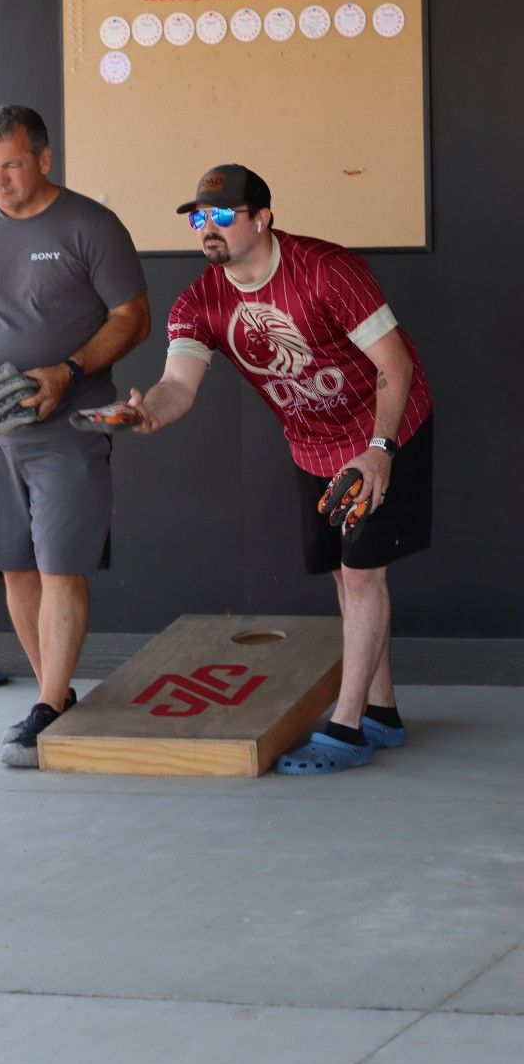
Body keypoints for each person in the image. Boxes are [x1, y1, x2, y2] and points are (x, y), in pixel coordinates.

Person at [127, 164, 433, 774]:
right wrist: (145, 415)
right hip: (312, 443)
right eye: (197, 217)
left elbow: (394, 366)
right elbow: (176, 385)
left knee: (363, 571)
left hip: (384, 427)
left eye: (220, 216)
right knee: (346, 578)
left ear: (261, 219)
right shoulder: (200, 301)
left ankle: (346, 730)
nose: (205, 228)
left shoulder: (326, 270)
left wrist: (380, 449)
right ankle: (384, 713)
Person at [0, 104, 150, 767]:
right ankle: (54, 696)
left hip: (71, 426)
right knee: (16, 565)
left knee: (60, 564)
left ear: (44, 159)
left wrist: (68, 369)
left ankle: (48, 704)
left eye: (12, 166)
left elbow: (133, 318)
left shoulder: (90, 226)